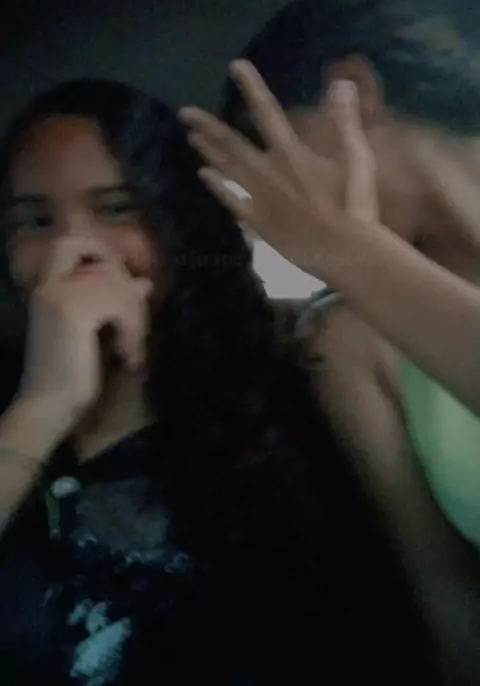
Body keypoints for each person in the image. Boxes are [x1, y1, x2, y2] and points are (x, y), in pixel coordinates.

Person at [0, 78, 435, 685]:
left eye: (118, 209)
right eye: (34, 221)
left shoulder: (290, 410)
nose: (70, 250)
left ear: (178, 228)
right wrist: (44, 406)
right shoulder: (14, 420)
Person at [180, 0, 480, 682]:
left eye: (273, 173)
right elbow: (450, 600)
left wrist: (352, 252)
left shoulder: (365, 278)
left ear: (353, 91)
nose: (272, 224)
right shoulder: (349, 340)